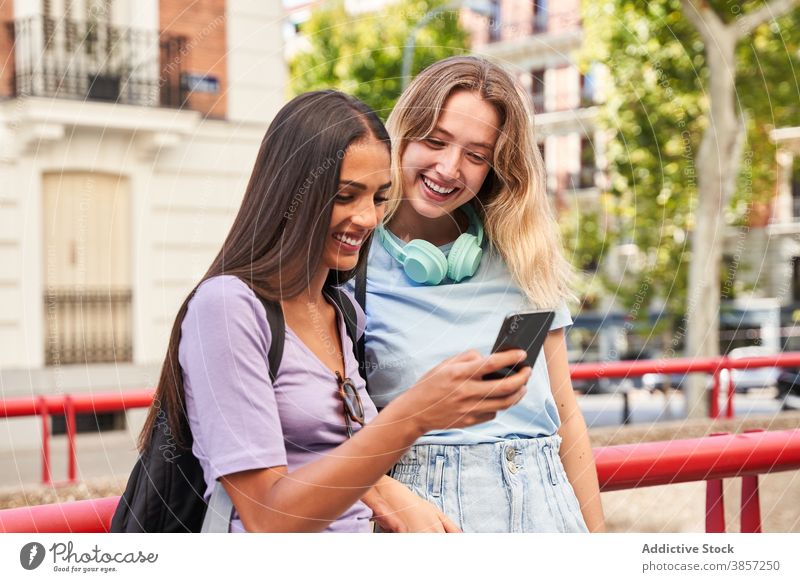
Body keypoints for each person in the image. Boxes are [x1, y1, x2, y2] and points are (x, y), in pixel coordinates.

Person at [135, 90, 531, 533]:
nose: (366, 218)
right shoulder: (227, 307)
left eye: (380, 198)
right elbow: (267, 518)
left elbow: (331, 452)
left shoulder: (340, 310)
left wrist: (393, 498)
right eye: (346, 196)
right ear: (289, 194)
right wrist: (416, 413)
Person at [353, 57, 606, 532]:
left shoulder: (525, 254)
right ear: (404, 134)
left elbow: (566, 416)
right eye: (435, 141)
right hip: (427, 516)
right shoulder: (350, 262)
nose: (449, 168)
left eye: (476, 154)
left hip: (549, 512)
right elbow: (319, 430)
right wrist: (380, 489)